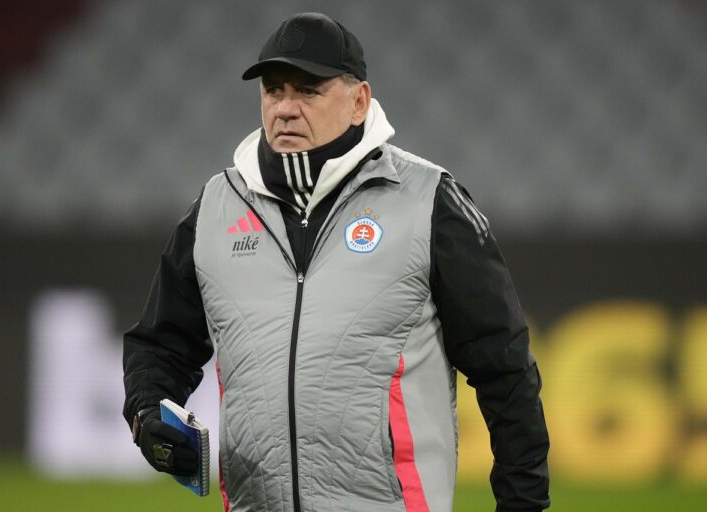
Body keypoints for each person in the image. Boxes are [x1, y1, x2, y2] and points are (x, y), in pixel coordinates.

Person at [123, 11, 550, 512]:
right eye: (274, 90)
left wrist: (522, 503)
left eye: (308, 91)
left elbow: (505, 369)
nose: (285, 108)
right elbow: (160, 345)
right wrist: (149, 413)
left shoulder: (430, 202)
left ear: (359, 101)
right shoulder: (215, 209)